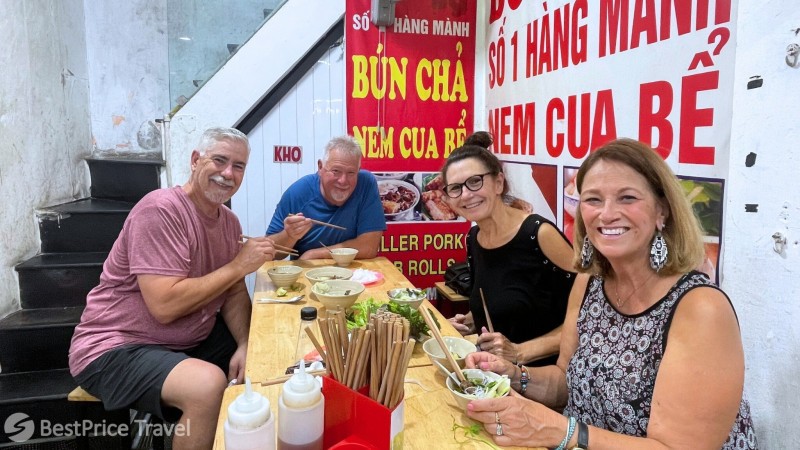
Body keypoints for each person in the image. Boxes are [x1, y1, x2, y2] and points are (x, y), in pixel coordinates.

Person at [465, 139, 757, 449]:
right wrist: (513, 374)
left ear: (663, 211)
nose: (607, 214)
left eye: (627, 198)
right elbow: (567, 383)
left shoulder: (700, 309)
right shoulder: (590, 282)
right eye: (592, 199)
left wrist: (561, 431)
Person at [69, 127, 278, 450]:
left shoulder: (229, 222)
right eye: (219, 161)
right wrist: (239, 265)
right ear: (195, 160)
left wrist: (246, 342)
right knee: (207, 385)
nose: (228, 173)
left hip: (184, 339)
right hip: (115, 347)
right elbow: (165, 306)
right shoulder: (161, 210)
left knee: (268, 354)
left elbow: (234, 292)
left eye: (238, 166)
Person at [443, 131, 575, 366]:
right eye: (455, 188)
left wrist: (520, 351)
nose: (465, 195)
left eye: (475, 181)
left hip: (549, 380)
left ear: (498, 183)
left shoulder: (538, 234)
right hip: (496, 374)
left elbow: (590, 316)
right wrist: (469, 322)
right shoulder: (475, 238)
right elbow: (502, 301)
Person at [267, 135, 386, 260]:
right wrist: (289, 235)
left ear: (358, 170)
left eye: (351, 173)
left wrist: (314, 254)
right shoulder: (299, 193)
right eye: (336, 171)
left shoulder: (365, 184)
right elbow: (271, 252)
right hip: (308, 274)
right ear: (320, 167)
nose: (343, 181)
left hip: (355, 273)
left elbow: (369, 247)